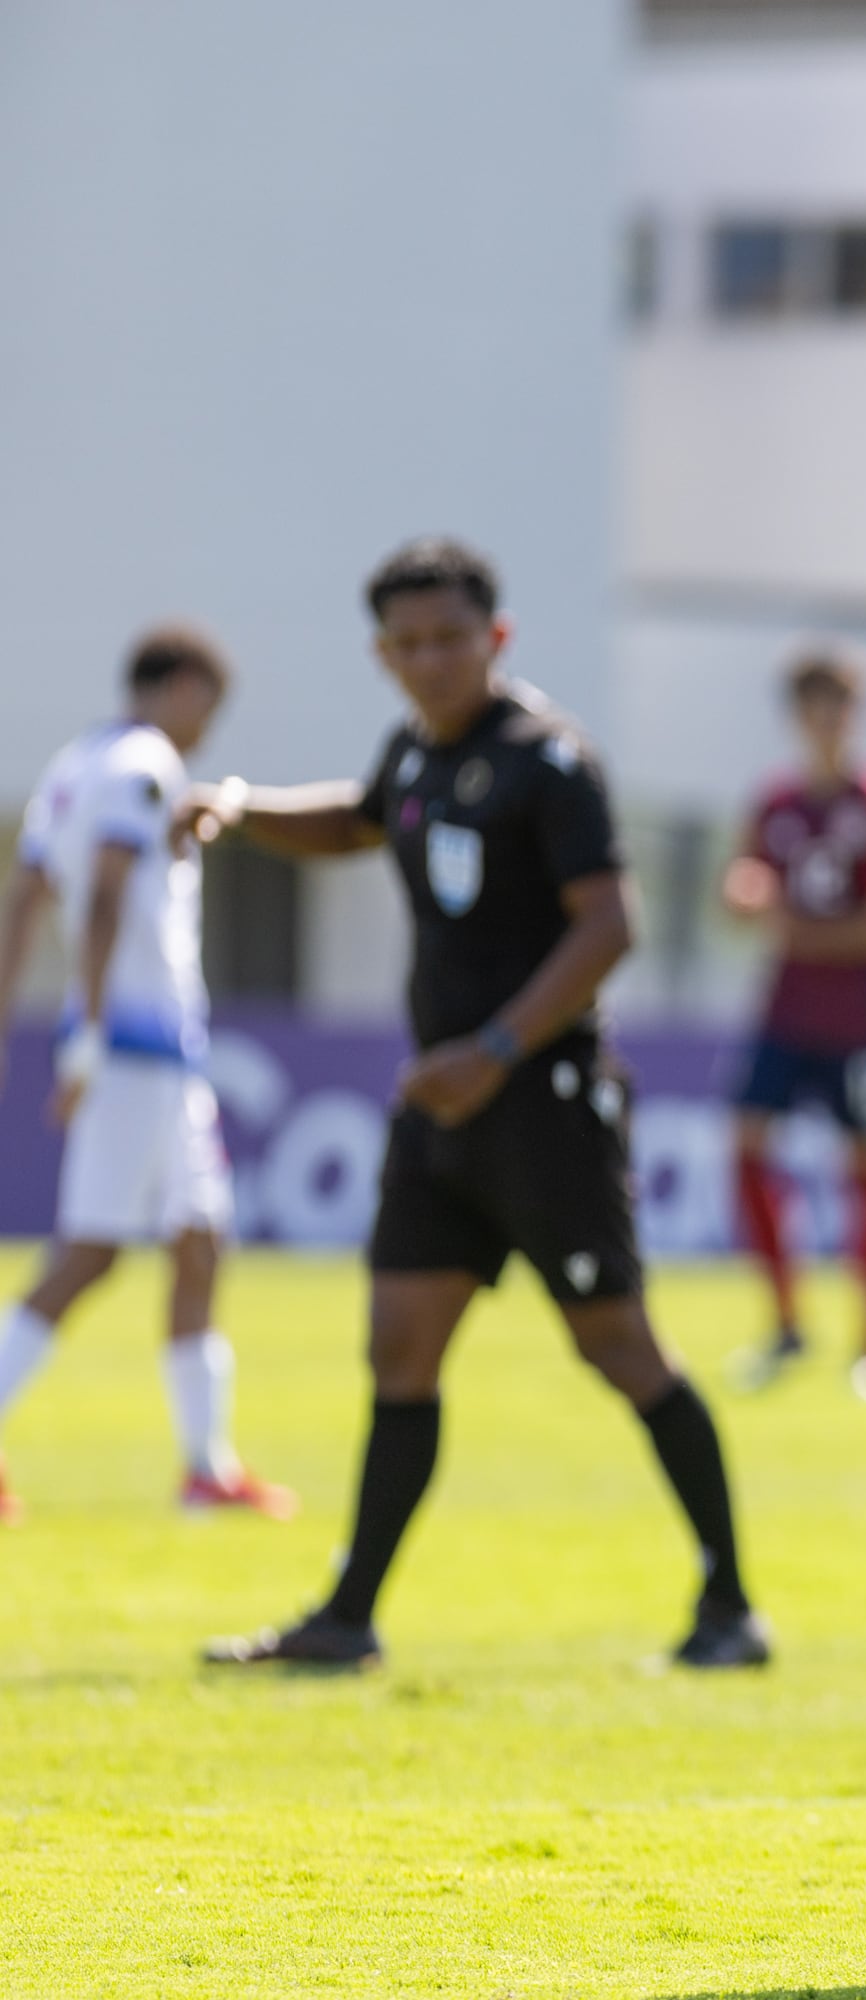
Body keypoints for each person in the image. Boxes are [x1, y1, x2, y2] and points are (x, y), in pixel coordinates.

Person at [193, 538, 766, 1670]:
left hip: (541, 1099)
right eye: (408, 644)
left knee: (619, 1346)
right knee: (399, 1344)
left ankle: (730, 1608)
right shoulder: (413, 749)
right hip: (443, 1105)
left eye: (450, 637)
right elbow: (359, 818)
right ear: (383, 654)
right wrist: (241, 806)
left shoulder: (547, 761)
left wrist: (494, 1048)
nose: (430, 659)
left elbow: (610, 924)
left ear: (494, 639)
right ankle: (348, 1618)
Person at [0, 627, 295, 1524]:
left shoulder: (72, 765)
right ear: (179, 687)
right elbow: (108, 892)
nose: (207, 727)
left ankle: (208, 1466)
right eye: (208, 704)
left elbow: (28, 896)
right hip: (134, 1046)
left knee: (200, 1241)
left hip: (157, 1051)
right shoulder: (145, 763)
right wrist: (89, 1027)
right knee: (87, 1255)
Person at [722, 644, 866, 1404]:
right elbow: (741, 885)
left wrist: (789, 926)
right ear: (796, 715)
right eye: (813, 705)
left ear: (856, 712)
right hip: (782, 1011)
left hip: (860, 1021)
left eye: (838, 705)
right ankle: (785, 1324)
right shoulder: (773, 802)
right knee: (744, 1145)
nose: (826, 721)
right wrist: (744, 895)